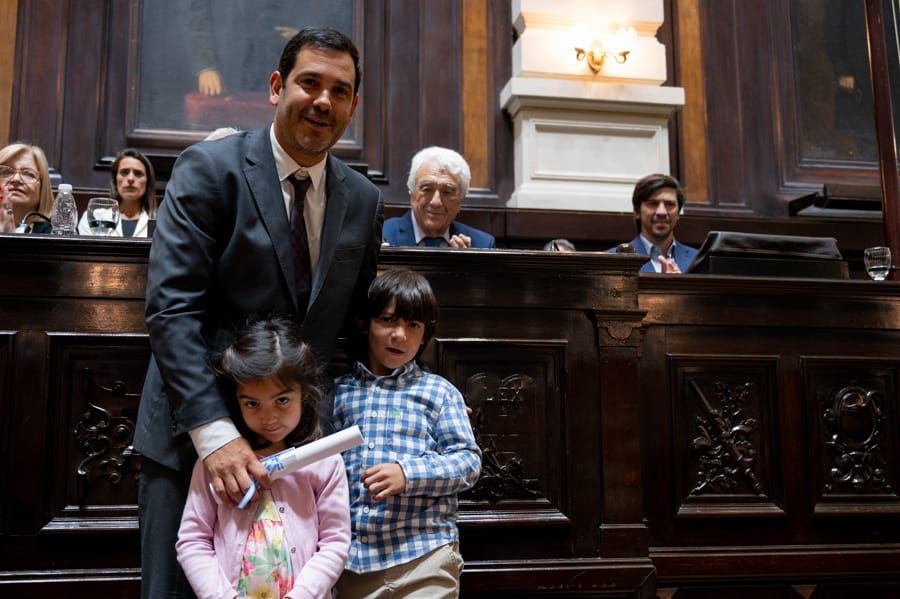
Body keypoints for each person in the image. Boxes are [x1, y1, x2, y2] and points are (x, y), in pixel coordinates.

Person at [135, 27, 383, 599]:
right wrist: (214, 434)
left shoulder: (363, 200)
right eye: (310, 83)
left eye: (339, 91)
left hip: (297, 455)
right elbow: (172, 309)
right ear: (277, 86)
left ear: (352, 105)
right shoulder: (209, 168)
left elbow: (350, 326)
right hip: (194, 439)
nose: (323, 101)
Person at [176, 316, 350, 599]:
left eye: (282, 400)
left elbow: (335, 542)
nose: (269, 417)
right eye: (252, 404)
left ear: (304, 394)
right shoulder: (218, 464)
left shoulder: (326, 463)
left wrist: (303, 595)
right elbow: (192, 541)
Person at [332, 269, 481, 598]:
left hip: (424, 555)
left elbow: (467, 463)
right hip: (350, 563)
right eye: (387, 320)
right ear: (365, 323)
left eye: (412, 325)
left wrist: (408, 473)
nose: (399, 334)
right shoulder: (338, 393)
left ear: (425, 335)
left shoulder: (439, 393)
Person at [382, 146, 496, 249]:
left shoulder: (483, 245)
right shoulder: (380, 236)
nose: (435, 202)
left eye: (446, 192)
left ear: (460, 200)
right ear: (412, 194)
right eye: (427, 189)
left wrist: (466, 268)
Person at [609, 173, 698, 273]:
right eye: (653, 204)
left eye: (670, 204)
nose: (662, 212)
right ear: (637, 211)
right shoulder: (613, 260)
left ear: (678, 213)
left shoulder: (699, 260)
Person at [77, 149, 157, 237]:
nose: (130, 178)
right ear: (115, 180)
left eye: (138, 174)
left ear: (147, 182)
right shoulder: (95, 217)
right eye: (124, 172)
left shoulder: (160, 223)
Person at [0, 142, 54, 234]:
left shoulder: (55, 232)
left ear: (42, 187)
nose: (16, 179)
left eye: (28, 174)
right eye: (6, 172)